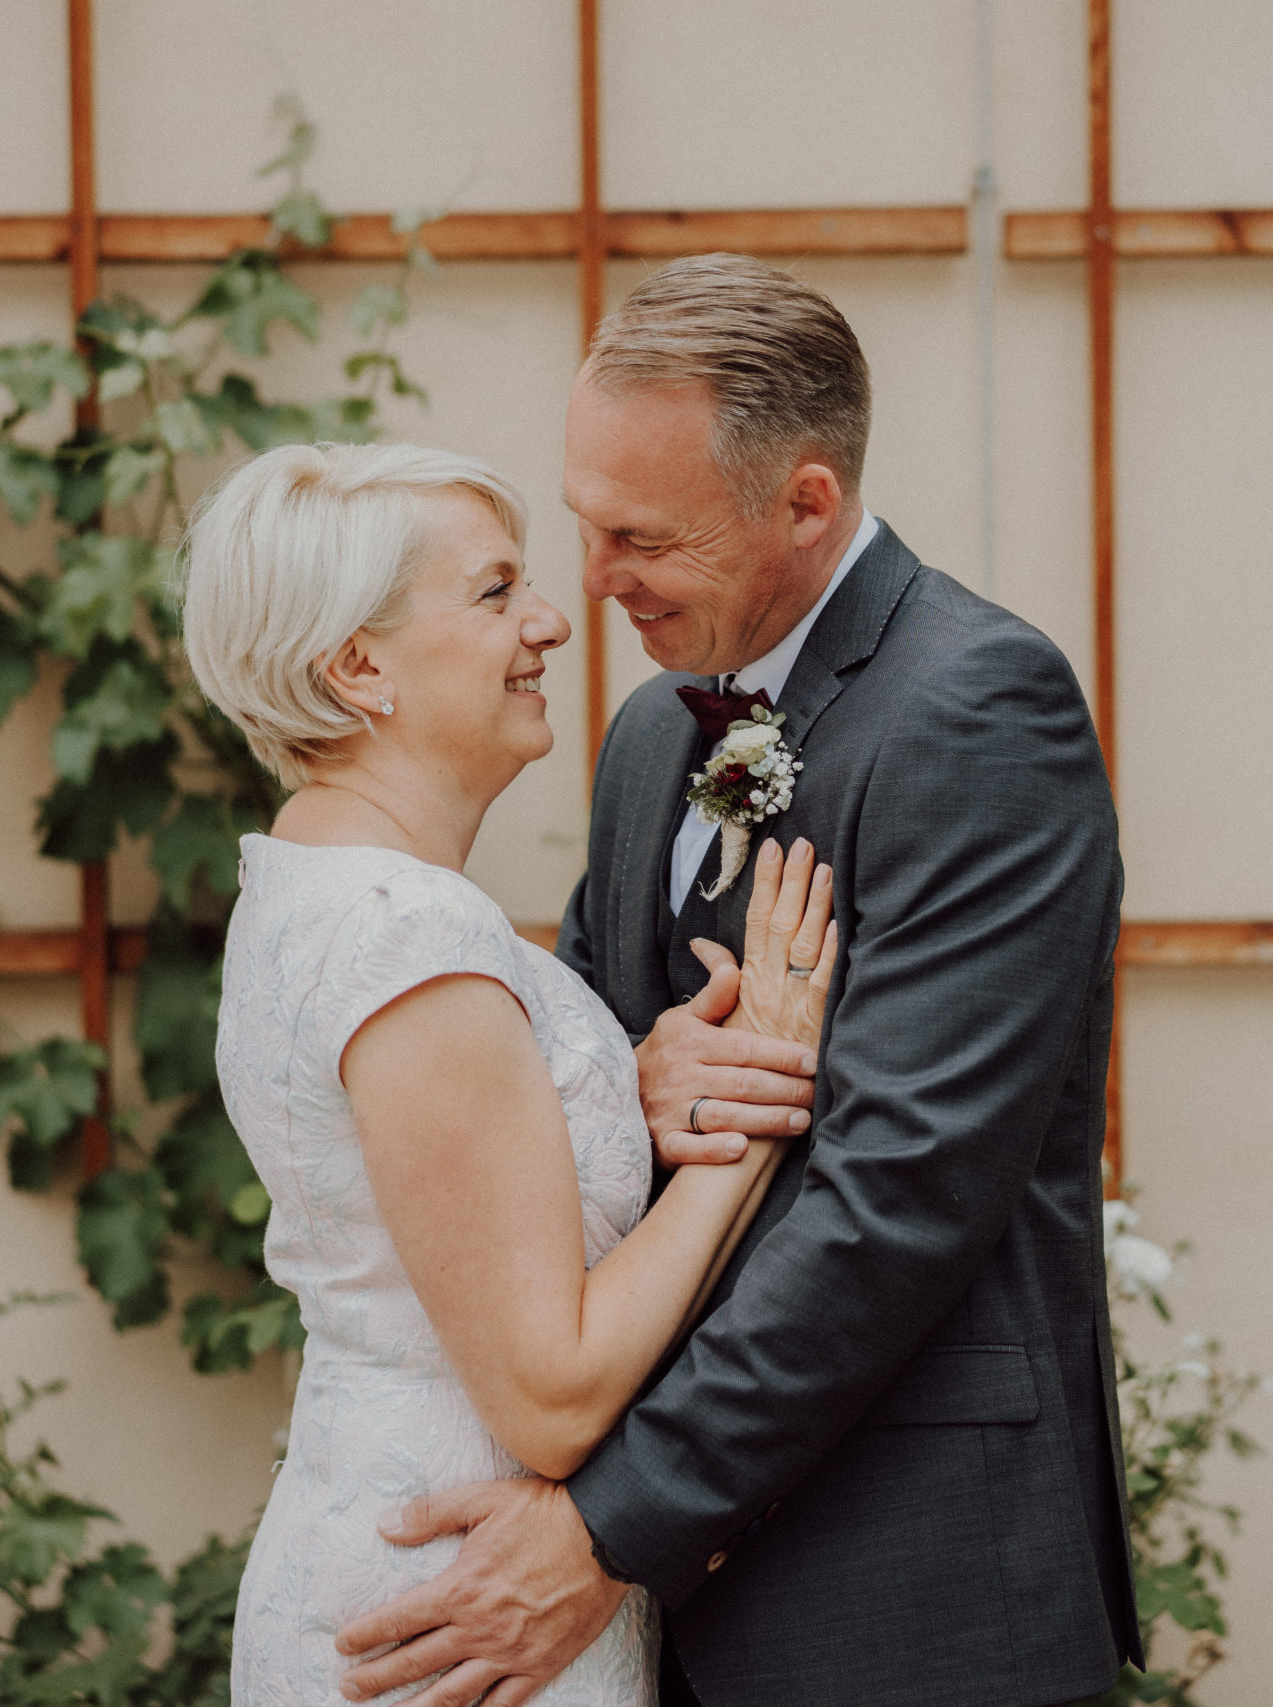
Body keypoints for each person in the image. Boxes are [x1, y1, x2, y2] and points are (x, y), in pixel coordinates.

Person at [332, 255, 1138, 1707]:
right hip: (679, 1630)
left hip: (910, 1604)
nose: (590, 585)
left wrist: (609, 1531)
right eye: (584, 526)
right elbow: (570, 1066)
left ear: (806, 502)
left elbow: (902, 1194)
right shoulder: (653, 733)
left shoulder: (979, 709)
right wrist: (641, 1073)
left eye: (643, 535)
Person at [183, 441, 841, 1707]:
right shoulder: (406, 935)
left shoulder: (325, 890)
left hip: (421, 1564)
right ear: (357, 666)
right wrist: (759, 1108)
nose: (549, 619)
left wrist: (642, 1090)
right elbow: (549, 1393)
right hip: (460, 1612)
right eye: (492, 594)